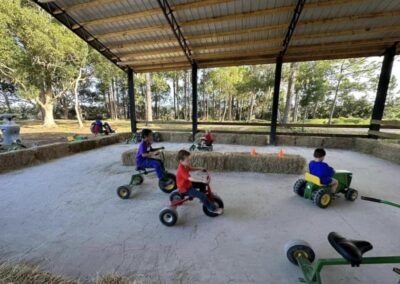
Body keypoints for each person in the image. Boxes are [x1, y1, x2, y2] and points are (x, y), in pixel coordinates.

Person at [176, 149, 223, 215]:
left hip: (187, 183)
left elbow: (191, 168)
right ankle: (212, 209)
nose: (189, 161)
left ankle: (203, 197)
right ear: (181, 161)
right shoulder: (181, 169)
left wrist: (200, 168)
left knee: (202, 184)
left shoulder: (185, 165)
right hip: (185, 188)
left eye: (189, 159)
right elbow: (190, 178)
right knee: (202, 195)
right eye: (187, 160)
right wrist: (201, 180)